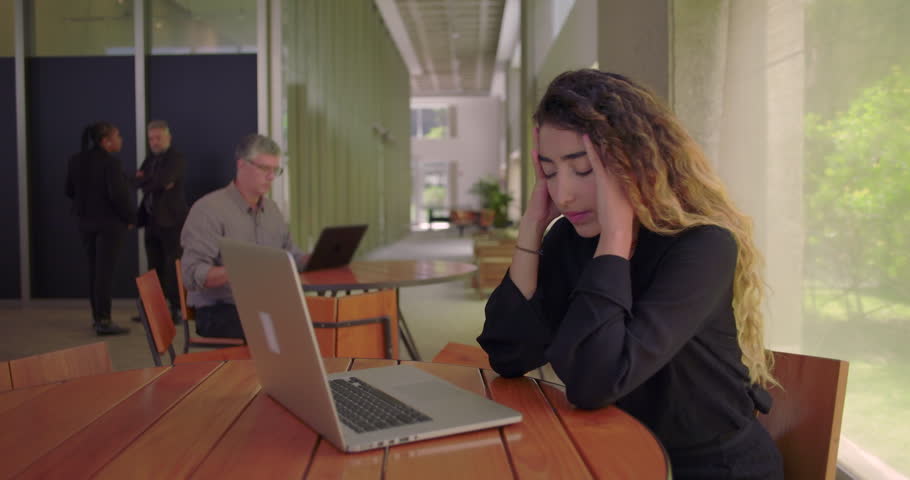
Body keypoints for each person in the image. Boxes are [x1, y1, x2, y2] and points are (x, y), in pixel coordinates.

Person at [477, 70, 784, 479]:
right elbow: (509, 353)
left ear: (634, 163)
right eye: (550, 172)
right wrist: (533, 225)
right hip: (616, 450)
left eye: (583, 169)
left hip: (711, 466)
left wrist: (619, 230)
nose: (563, 193)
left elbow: (594, 383)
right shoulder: (571, 237)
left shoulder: (703, 246)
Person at [180, 134, 306, 339]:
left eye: (276, 170)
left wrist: (315, 258)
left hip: (265, 307)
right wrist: (240, 269)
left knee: (318, 321)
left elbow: (290, 254)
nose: (271, 177)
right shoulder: (208, 210)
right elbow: (192, 274)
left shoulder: (272, 210)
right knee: (285, 332)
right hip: (220, 311)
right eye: (265, 168)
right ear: (241, 165)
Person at [65, 121, 136, 336]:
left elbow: (69, 190)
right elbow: (118, 195)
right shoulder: (111, 163)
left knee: (94, 270)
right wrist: (130, 217)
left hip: (85, 223)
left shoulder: (76, 160)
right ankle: (104, 321)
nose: (121, 139)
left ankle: (97, 317)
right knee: (105, 273)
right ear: (106, 141)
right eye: (118, 136)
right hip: (110, 225)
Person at [136, 120, 188, 322]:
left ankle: (176, 308)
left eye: (158, 138)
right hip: (151, 220)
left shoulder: (176, 158)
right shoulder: (150, 160)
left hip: (172, 221)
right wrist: (152, 181)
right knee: (153, 266)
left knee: (173, 265)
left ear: (168, 137)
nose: (154, 142)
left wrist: (147, 180)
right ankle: (153, 309)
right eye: (151, 139)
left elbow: (161, 180)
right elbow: (139, 181)